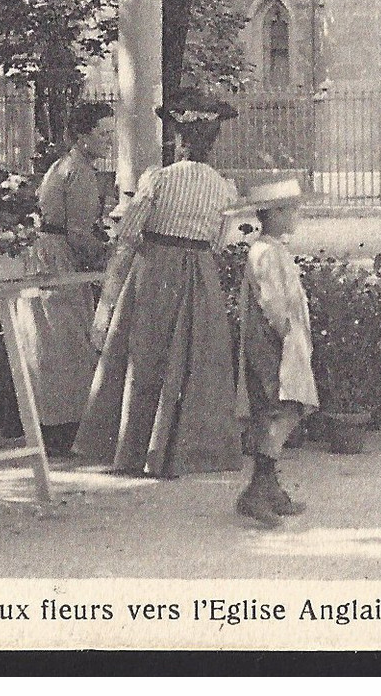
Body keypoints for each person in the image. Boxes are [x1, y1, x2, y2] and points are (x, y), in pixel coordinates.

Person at [76, 89, 245, 478]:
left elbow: (129, 234)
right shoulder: (223, 187)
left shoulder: (158, 179)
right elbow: (220, 242)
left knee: (144, 356)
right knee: (193, 359)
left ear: (179, 140)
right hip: (199, 274)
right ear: (211, 142)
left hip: (154, 270)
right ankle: (187, 450)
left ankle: (134, 448)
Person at [14, 102, 115, 458]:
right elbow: (79, 233)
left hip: (44, 257)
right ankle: (63, 430)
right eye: (103, 134)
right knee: (67, 343)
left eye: (111, 134)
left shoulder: (63, 166)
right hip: (59, 260)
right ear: (83, 135)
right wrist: (109, 258)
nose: (109, 141)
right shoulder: (81, 173)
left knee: (48, 343)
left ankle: (48, 425)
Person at [233, 178, 318, 526]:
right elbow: (272, 302)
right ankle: (256, 490)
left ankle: (268, 486)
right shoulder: (265, 253)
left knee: (286, 409)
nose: (296, 215)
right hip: (271, 342)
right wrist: (289, 338)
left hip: (283, 339)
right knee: (278, 409)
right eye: (291, 209)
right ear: (275, 214)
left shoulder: (274, 249)